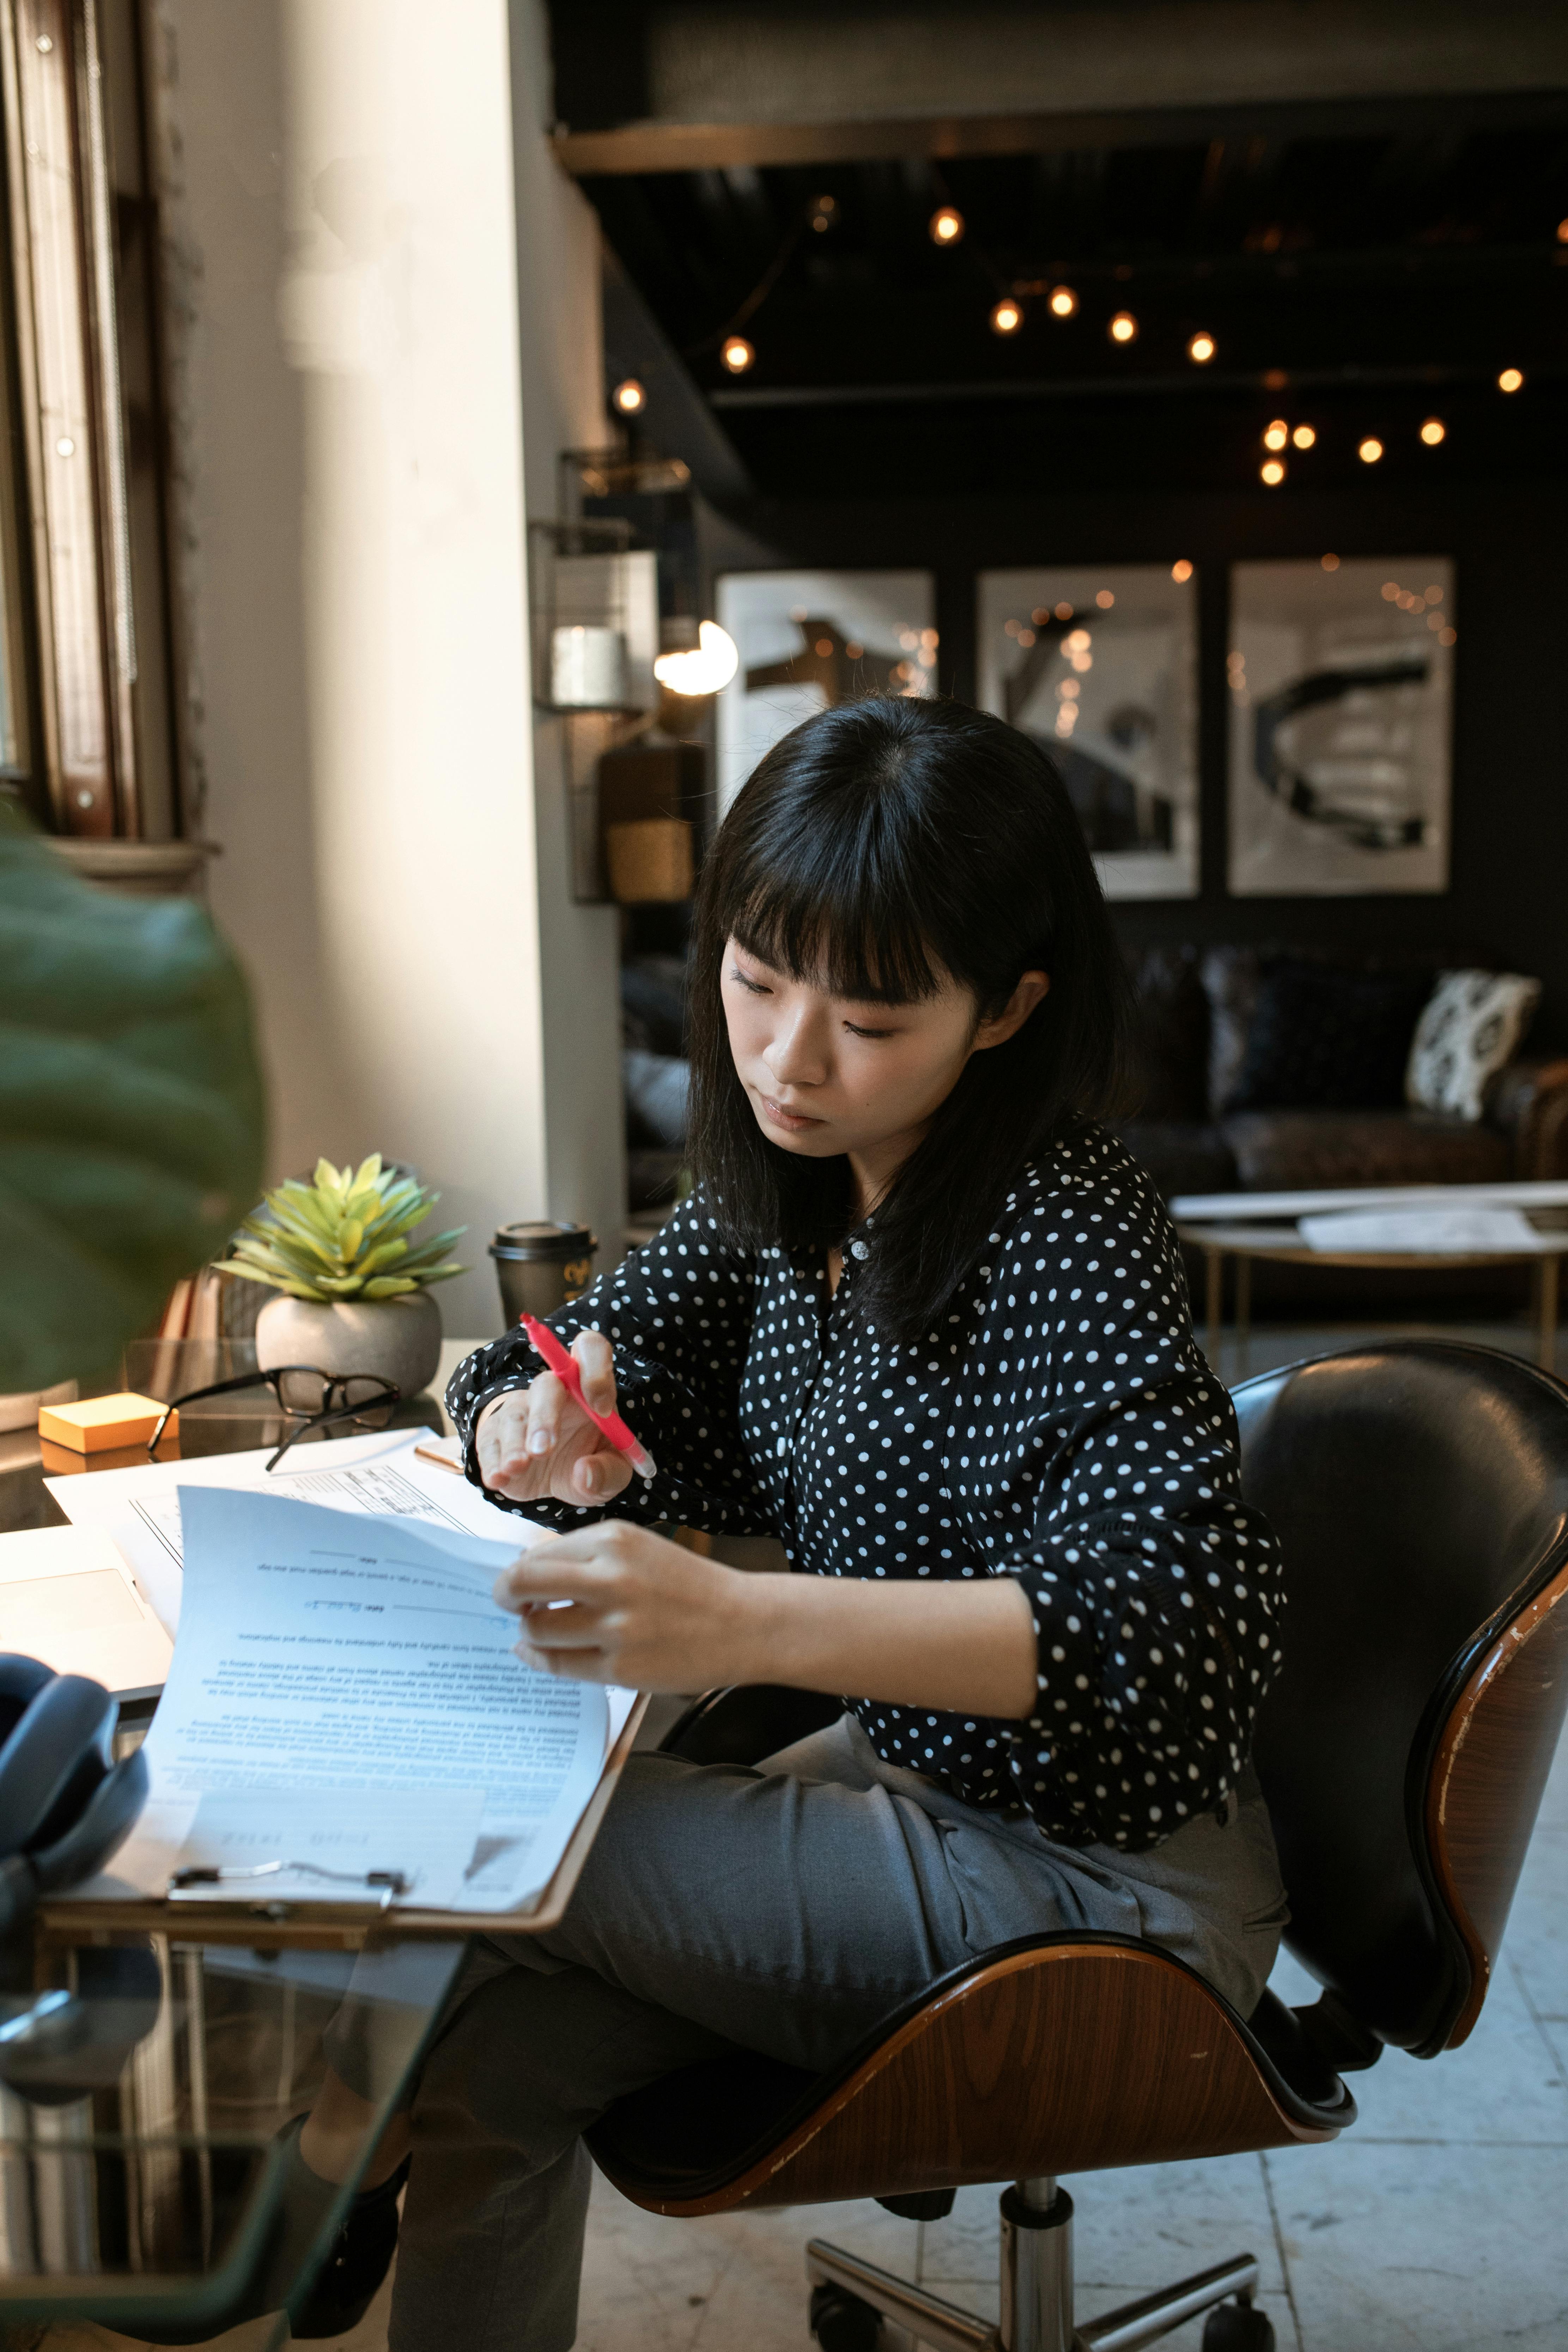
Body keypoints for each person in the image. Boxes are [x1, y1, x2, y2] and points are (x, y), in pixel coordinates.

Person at [299, 694, 1288, 2351]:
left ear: (1005, 1009)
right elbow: (511, 1360)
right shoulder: (783, 1194)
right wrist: (524, 1422)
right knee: (488, 2069)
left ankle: (320, 2164)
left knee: (478, 1831)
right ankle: (359, 2157)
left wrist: (740, 1620)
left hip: (1095, 1880)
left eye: (869, 1017)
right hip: (912, 1787)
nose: (787, 1058)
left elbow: (1175, 1627)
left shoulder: (1062, 1228)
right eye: (756, 983)